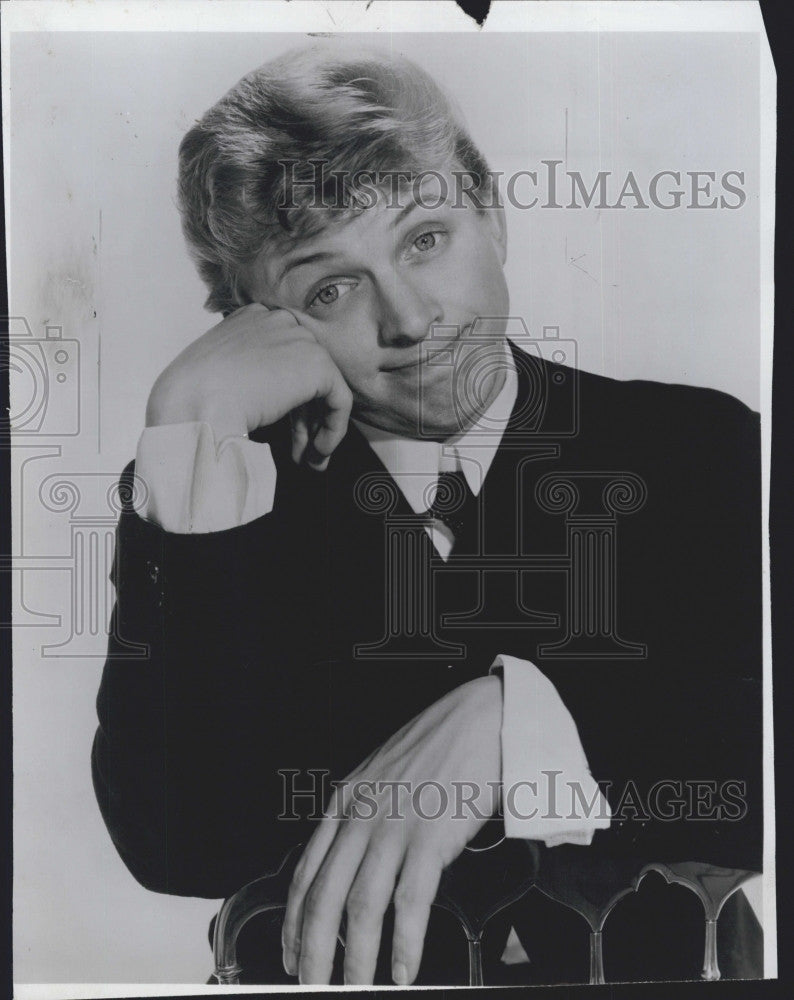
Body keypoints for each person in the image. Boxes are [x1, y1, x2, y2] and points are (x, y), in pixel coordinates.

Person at [91, 42, 763, 985]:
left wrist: (516, 723)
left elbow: (749, 754)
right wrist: (190, 427)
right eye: (330, 287)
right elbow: (181, 846)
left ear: (491, 211)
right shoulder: (230, 503)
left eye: (425, 238)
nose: (407, 320)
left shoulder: (701, 445)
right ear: (248, 319)